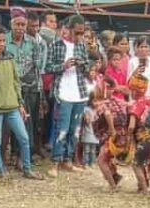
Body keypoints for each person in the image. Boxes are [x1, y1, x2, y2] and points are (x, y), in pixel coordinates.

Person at [0, 24, 44, 181]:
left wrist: (20, 103)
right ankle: (0, 171)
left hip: (12, 106)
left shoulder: (9, 57)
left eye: (2, 40)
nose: (1, 44)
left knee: (24, 138)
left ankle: (27, 169)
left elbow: (16, 82)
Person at [46, 15, 92, 178]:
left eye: (82, 32)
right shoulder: (56, 45)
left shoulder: (82, 47)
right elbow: (48, 67)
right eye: (77, 32)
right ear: (69, 29)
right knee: (61, 128)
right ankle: (55, 162)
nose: (79, 36)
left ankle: (68, 160)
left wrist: (82, 64)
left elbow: (88, 65)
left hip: (79, 93)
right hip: (63, 92)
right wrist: (63, 66)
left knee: (74, 130)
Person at [7, 8, 43, 160]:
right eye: (18, 24)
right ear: (11, 24)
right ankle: (15, 153)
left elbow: (37, 67)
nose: (20, 28)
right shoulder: (5, 41)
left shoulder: (33, 43)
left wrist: (39, 90)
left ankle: (26, 154)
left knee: (30, 120)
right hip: (12, 89)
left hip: (31, 88)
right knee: (16, 121)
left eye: (23, 25)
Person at [127, 72, 150, 194]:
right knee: (148, 160)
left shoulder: (137, 104)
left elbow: (131, 126)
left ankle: (144, 189)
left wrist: (128, 136)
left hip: (146, 139)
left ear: (134, 90)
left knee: (136, 163)